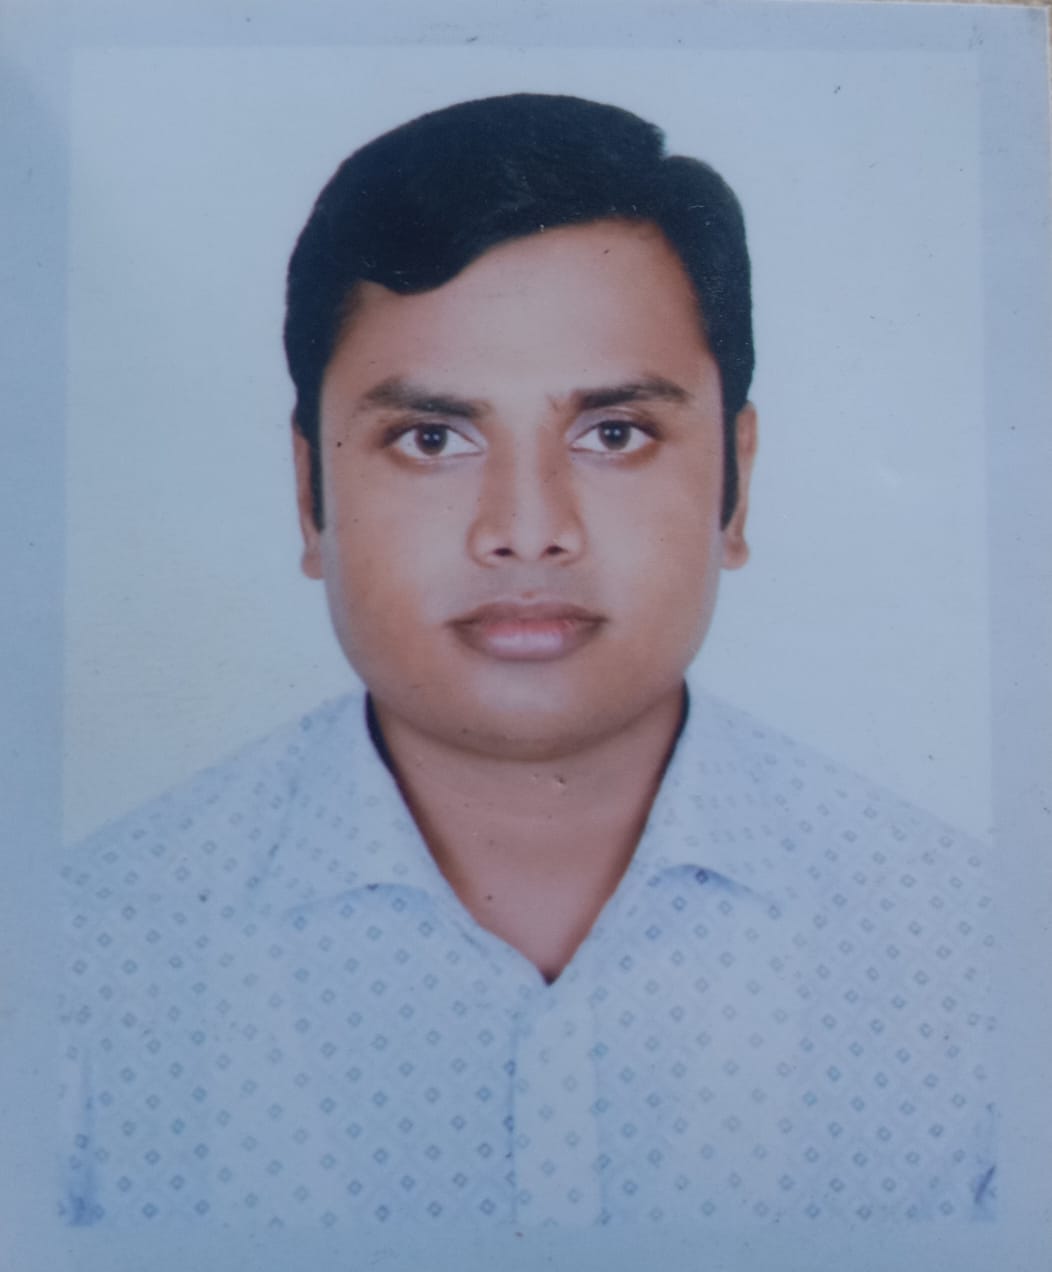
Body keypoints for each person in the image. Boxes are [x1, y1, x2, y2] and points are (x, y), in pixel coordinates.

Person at [60, 93, 996, 1230]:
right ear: (310, 494)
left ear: (735, 482)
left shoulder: (981, 961)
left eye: (613, 434)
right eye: (431, 438)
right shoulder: (70, 970)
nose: (526, 530)